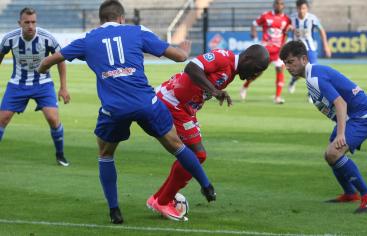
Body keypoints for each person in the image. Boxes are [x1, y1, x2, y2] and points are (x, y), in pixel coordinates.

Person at [38, 0, 216, 224]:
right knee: (177, 146)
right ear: (121, 18)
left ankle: (114, 211)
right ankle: (207, 186)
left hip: (114, 109)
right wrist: (183, 50)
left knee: (106, 155)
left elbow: (51, 60)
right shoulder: (136, 31)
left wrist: (41, 68)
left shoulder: (88, 39)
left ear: (102, 19)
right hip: (147, 103)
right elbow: (179, 57)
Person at [147, 45, 270, 221]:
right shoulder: (223, 57)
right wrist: (214, 91)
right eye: (257, 70)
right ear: (247, 59)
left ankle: (159, 198)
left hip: (185, 108)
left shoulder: (232, 71)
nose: (255, 75)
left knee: (194, 154)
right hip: (173, 102)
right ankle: (163, 200)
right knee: (198, 154)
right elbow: (191, 67)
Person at [279, 40, 367, 213]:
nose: (287, 67)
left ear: (304, 59)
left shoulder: (315, 77)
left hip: (363, 116)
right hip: (352, 118)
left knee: (333, 153)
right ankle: (350, 193)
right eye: (285, 63)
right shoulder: (312, 76)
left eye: (290, 62)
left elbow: (340, 104)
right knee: (330, 155)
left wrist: (341, 134)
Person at [0, 8, 70, 166]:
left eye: (33, 22)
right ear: (20, 23)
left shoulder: (47, 38)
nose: (31, 26)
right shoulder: (9, 39)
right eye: (27, 22)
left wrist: (63, 87)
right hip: (17, 84)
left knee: (53, 118)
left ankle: (60, 154)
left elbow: (61, 59)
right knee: (2, 119)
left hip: (43, 84)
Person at [240, 0, 291, 104]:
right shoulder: (266, 16)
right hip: (265, 50)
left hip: (278, 51)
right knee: (257, 72)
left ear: (284, 6)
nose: (279, 5)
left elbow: (286, 33)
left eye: (281, 4)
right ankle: (245, 86)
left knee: (280, 70)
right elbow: (254, 24)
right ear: (274, 4)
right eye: (277, 3)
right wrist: (254, 35)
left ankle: (277, 97)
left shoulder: (287, 19)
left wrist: (283, 45)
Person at [287, 0, 331, 95]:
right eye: (300, 8)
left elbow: (321, 31)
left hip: (310, 48)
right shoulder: (292, 18)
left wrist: (326, 46)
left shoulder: (312, 18)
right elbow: (285, 29)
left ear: (307, 9)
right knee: (299, 70)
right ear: (297, 8)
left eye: (304, 8)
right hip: (296, 49)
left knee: (313, 71)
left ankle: (311, 94)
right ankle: (293, 80)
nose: (302, 10)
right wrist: (288, 29)